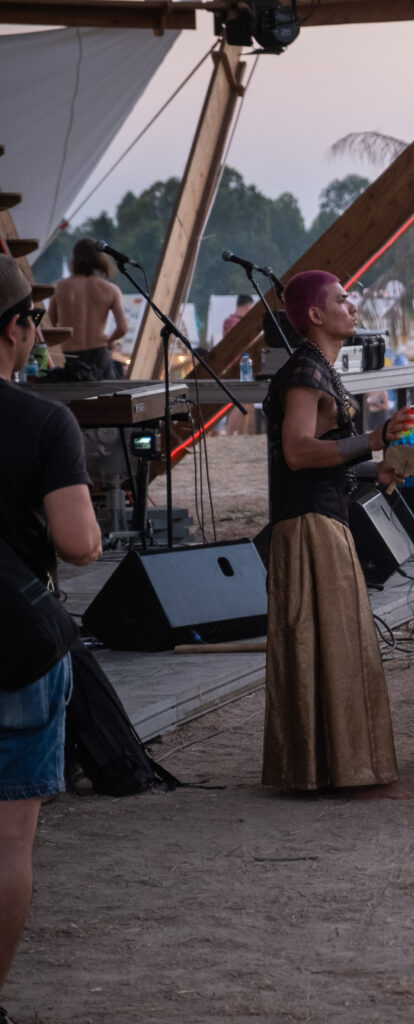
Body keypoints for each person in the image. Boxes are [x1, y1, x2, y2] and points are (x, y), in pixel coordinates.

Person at [261, 270, 414, 798]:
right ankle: (328, 772)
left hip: (325, 512)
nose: (353, 307)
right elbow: (298, 452)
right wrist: (373, 439)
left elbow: (330, 458)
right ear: (314, 315)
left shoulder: (322, 369)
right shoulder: (305, 371)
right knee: (324, 643)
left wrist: (378, 467)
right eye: (342, 299)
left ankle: (333, 768)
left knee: (337, 645)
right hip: (307, 523)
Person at [0, 256, 101, 1010]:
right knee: (9, 843)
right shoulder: (43, 421)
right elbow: (80, 544)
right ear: (15, 329)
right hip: (15, 648)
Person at [46, 238, 128, 380]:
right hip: (99, 354)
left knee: (75, 400)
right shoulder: (111, 289)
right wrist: (110, 341)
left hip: (70, 356)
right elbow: (122, 328)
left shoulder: (58, 288)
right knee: (106, 398)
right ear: (99, 258)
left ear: (75, 257)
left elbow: (50, 325)